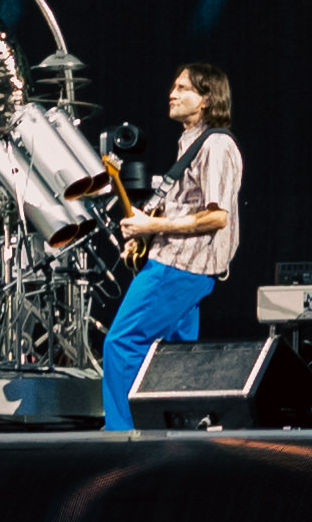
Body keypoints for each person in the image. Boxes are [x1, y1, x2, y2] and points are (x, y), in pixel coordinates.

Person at [103, 63, 243, 430]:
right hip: (181, 266)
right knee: (173, 358)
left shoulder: (216, 146)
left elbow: (217, 217)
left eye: (183, 88)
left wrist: (153, 226)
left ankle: (122, 433)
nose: (172, 94)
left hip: (179, 267)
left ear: (206, 99)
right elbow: (186, 206)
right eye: (174, 87)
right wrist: (145, 236)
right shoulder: (191, 144)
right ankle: (174, 434)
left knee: (121, 344)